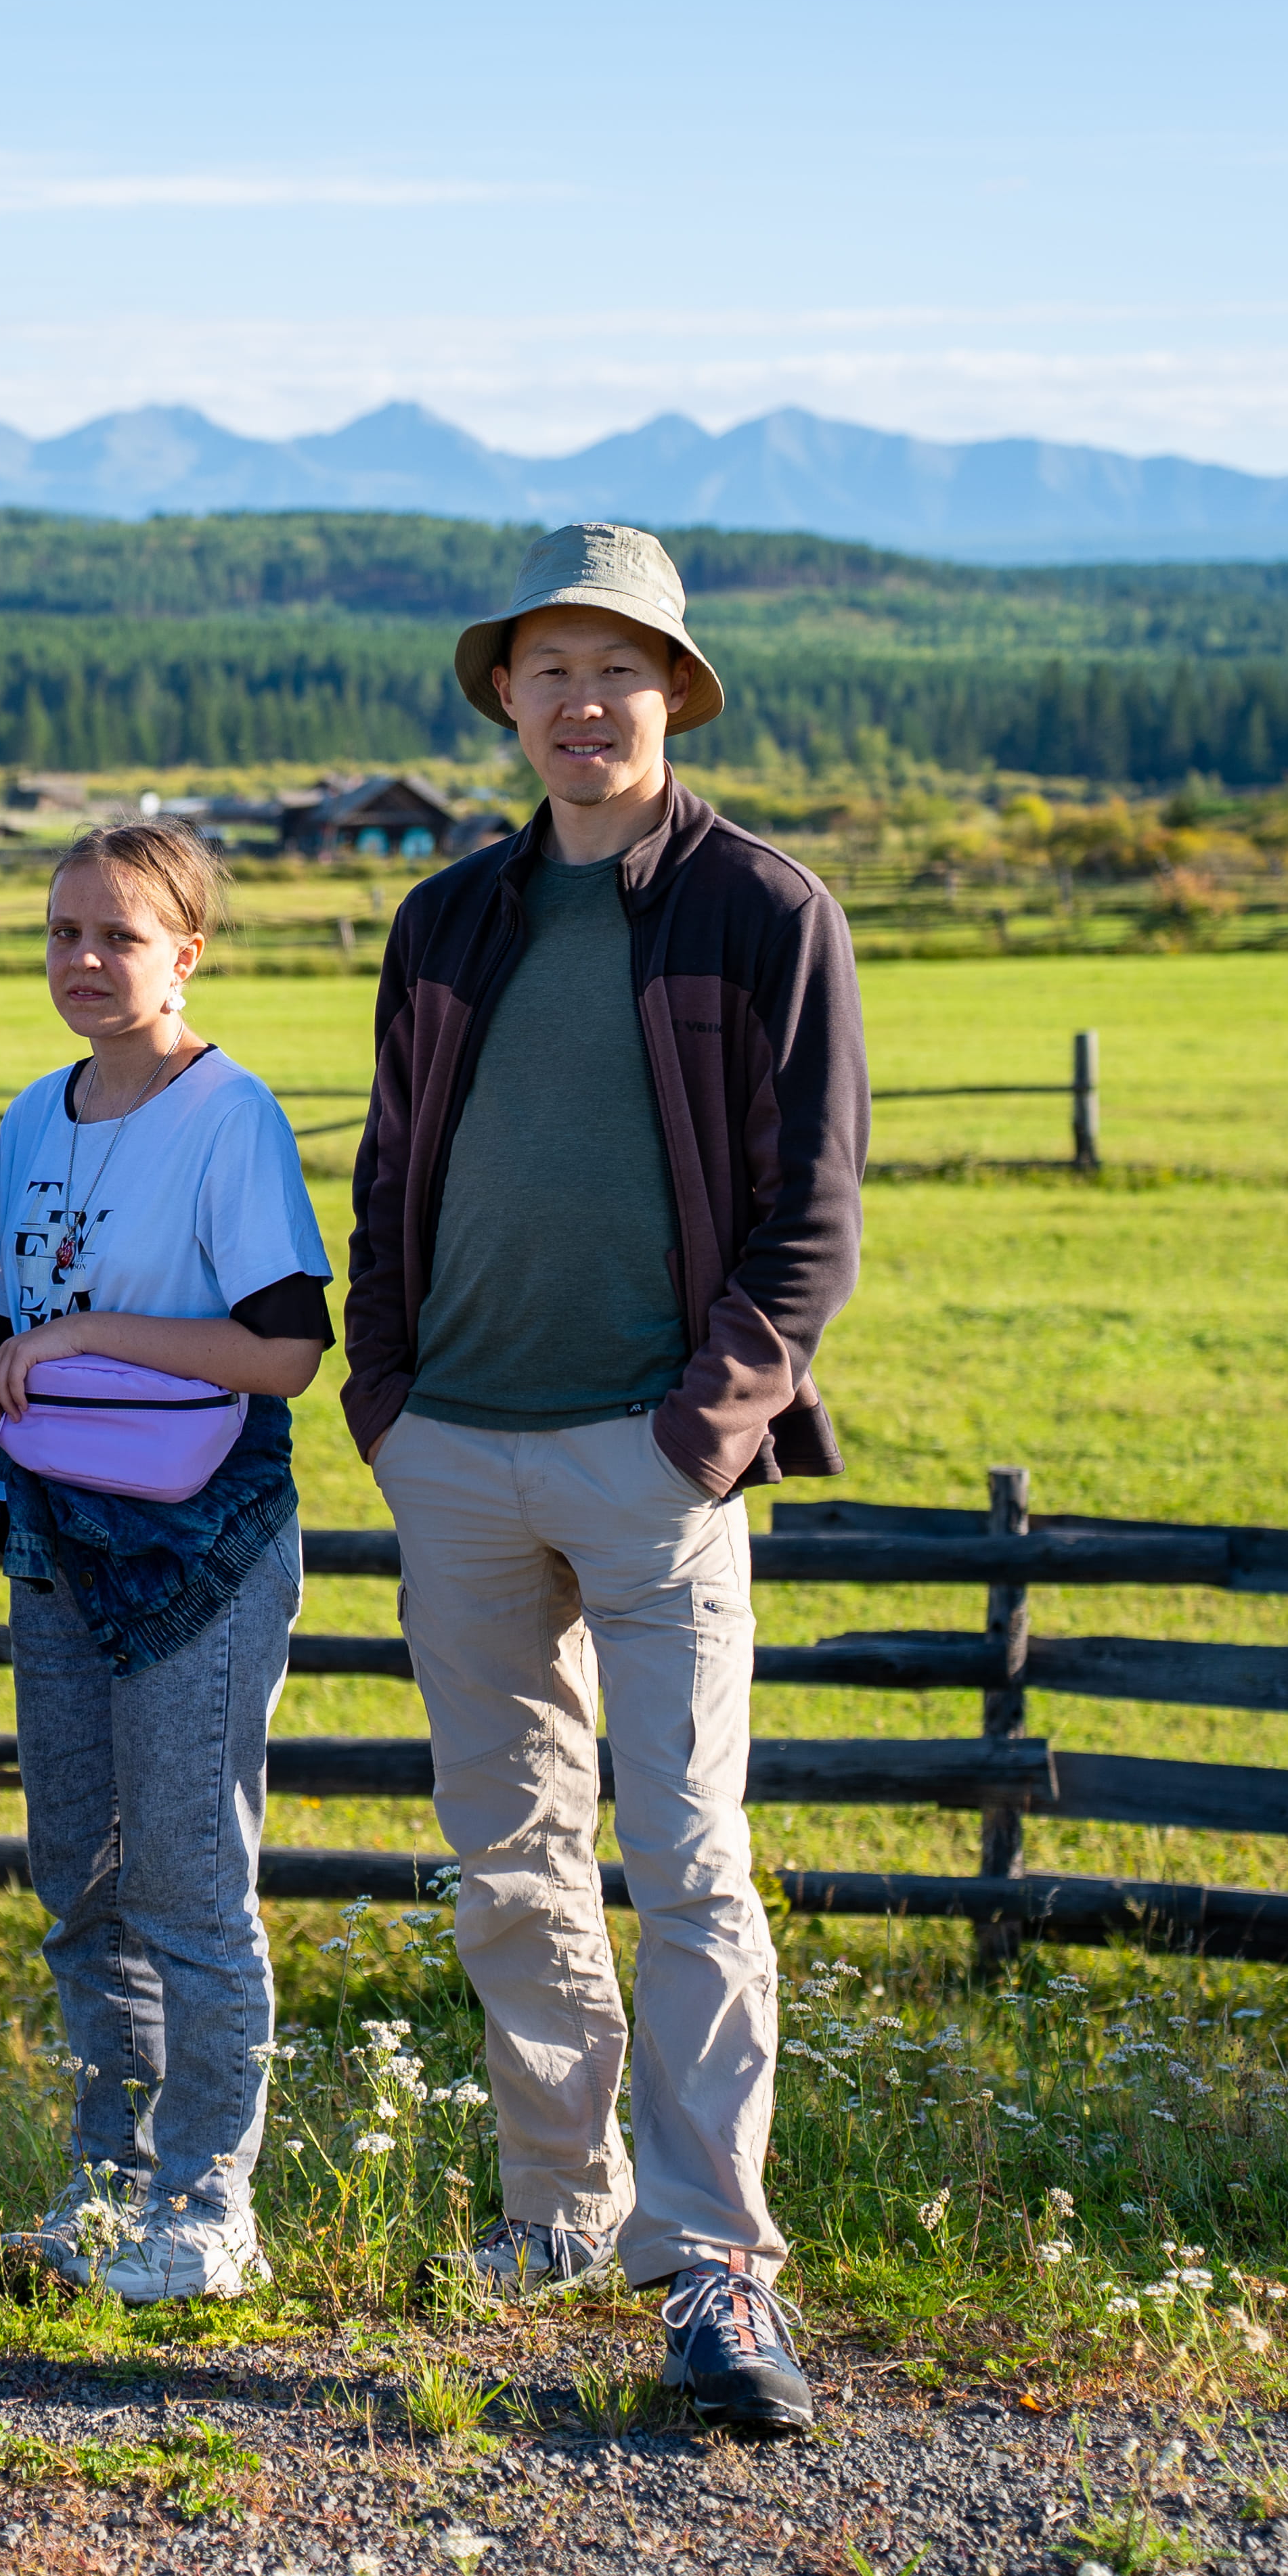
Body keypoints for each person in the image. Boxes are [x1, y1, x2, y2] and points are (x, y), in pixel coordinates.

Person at [345, 523, 865, 2432]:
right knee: (510, 1867)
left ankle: (712, 2259)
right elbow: (388, 1180)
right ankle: (559, 2215)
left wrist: (697, 1433)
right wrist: (390, 1406)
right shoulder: (450, 921)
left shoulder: (761, 909)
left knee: (696, 1865)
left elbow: (808, 1227)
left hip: (653, 1464)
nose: (584, 703)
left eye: (619, 671)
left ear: (674, 693)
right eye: (551, 671)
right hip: (459, 1455)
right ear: (509, 699)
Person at [0, 820, 333, 2307]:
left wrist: (95, 1335)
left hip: (199, 1540)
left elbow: (287, 1344)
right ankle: (108, 2178)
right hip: (52, 1540)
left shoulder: (231, 1117)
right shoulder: (41, 1116)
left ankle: (210, 2195)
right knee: (80, 1873)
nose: (86, 960)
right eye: (63, 933)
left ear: (188, 950)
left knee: (187, 1872)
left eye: (118, 934)